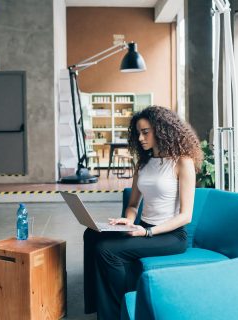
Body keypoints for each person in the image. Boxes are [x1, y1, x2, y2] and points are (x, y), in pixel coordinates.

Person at [83, 106, 203, 319]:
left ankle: (124, 308)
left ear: (162, 130)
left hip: (170, 236)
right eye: (137, 132)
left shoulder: (182, 162)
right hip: (142, 228)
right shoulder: (143, 164)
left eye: (145, 132)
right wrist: (127, 221)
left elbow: (186, 215)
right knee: (91, 234)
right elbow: (132, 206)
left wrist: (147, 232)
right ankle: (96, 306)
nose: (140, 137)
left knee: (106, 250)